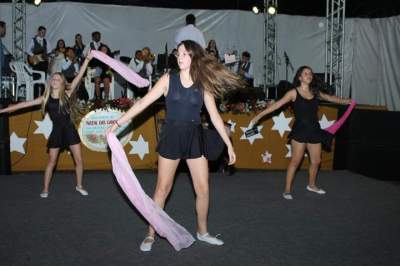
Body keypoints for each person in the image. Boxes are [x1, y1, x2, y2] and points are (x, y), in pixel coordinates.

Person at [108, 40, 244, 252]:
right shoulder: (168, 79)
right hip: (172, 136)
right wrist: (118, 123)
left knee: (203, 189)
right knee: (162, 189)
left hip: (194, 137)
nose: (179, 57)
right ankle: (151, 234)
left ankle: (203, 232)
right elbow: (143, 103)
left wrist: (229, 145)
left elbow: (215, 117)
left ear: (194, 57)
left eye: (184, 54)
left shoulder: (204, 83)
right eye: (178, 53)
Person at [249, 66, 352, 200]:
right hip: (299, 132)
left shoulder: (315, 92)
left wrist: (348, 101)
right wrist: (258, 117)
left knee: (316, 161)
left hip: (314, 130)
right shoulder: (293, 93)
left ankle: (312, 185)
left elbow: (332, 98)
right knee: (295, 161)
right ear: (300, 77)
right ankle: (287, 190)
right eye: (305, 73)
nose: (309, 75)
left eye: (310, 73)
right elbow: (276, 105)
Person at [0, 55, 93, 198]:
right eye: (53, 79)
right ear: (50, 82)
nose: (54, 80)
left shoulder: (67, 93)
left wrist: (86, 60)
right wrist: (2, 110)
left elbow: (79, 76)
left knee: (79, 160)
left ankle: (79, 185)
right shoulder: (45, 98)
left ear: (62, 82)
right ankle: (45, 189)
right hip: (56, 132)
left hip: (70, 130)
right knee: (51, 162)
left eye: (57, 79)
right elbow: (23, 104)